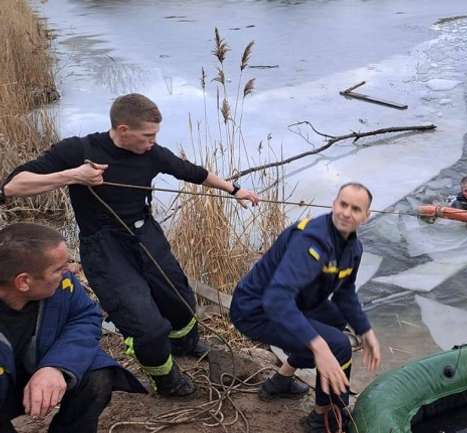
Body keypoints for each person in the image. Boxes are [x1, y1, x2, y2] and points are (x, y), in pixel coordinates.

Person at [1, 93, 259, 397]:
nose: (152, 141)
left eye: (155, 135)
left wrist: (235, 190)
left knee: (179, 298)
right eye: (147, 135)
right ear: (123, 130)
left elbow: (193, 172)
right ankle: (165, 379)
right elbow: (13, 186)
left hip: (145, 233)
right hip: (104, 245)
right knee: (145, 322)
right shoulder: (79, 150)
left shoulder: (152, 154)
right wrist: (74, 176)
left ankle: (184, 344)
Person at [230, 182, 381, 433]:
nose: (346, 213)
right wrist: (319, 346)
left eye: (355, 209)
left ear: (366, 217)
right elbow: (276, 299)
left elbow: (344, 293)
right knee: (337, 345)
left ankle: (282, 379)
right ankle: (323, 416)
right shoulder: (311, 241)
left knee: (336, 318)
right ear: (333, 204)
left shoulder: (353, 248)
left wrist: (366, 331)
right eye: (343, 204)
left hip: (295, 303)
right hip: (255, 310)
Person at [0, 223, 146, 433]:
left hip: (38, 371)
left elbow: (85, 316)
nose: (71, 270)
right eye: (58, 268)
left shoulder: (62, 284)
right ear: (23, 282)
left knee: (97, 376)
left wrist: (56, 366)